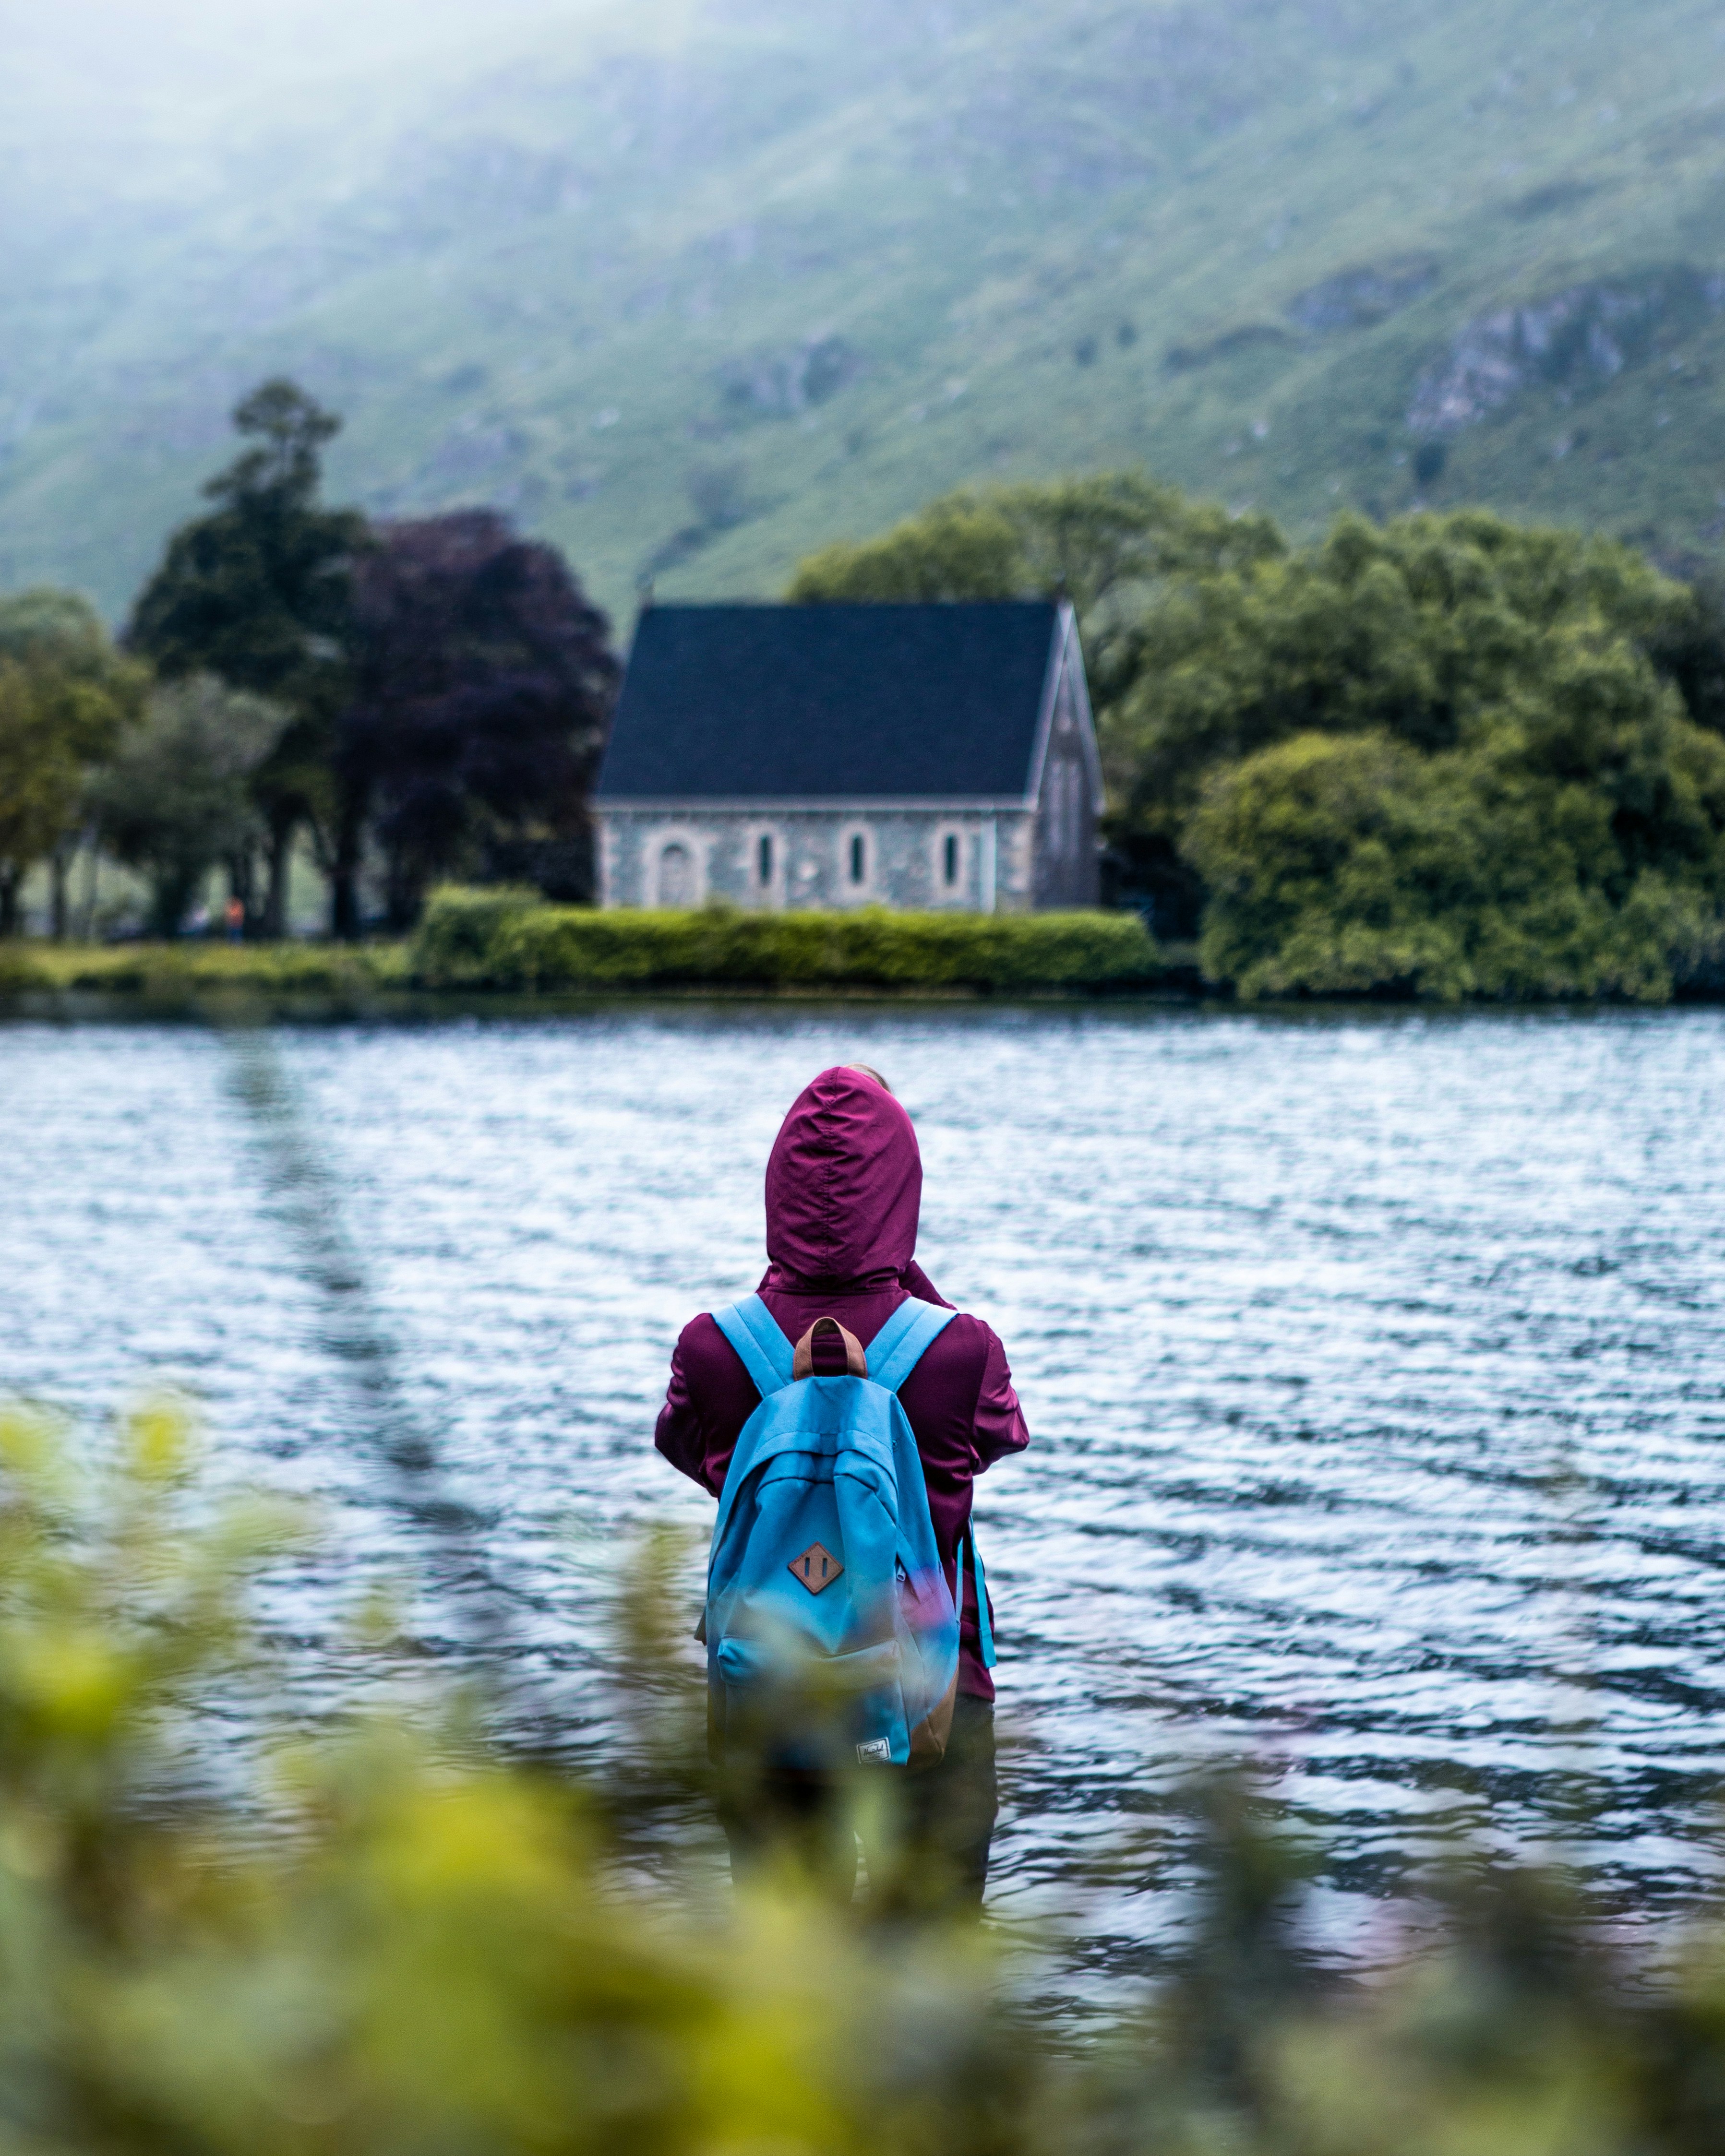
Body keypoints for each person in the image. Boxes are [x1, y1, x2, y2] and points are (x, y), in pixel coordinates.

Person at [655, 1062, 1029, 1912]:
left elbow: (688, 1448)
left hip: (767, 1692)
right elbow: (1000, 1437)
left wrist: (783, 1302)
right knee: (929, 1965)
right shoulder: (960, 1349)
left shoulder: (713, 1349)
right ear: (904, 1189)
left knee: (787, 1976)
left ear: (776, 1189)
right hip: (930, 1698)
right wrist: (907, 1288)